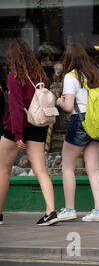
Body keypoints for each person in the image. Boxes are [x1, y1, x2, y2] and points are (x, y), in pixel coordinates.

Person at [0, 39, 58, 226]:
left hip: (17, 128)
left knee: (3, 170)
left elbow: (16, 107)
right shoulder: (39, 74)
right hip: (38, 126)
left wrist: (17, 136)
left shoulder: (14, 76)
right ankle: (50, 211)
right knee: (41, 170)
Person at [56, 44, 99, 222]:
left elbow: (69, 106)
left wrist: (59, 101)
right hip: (98, 122)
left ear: (68, 59)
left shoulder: (71, 77)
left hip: (81, 121)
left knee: (68, 167)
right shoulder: (97, 76)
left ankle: (70, 209)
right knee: (93, 169)